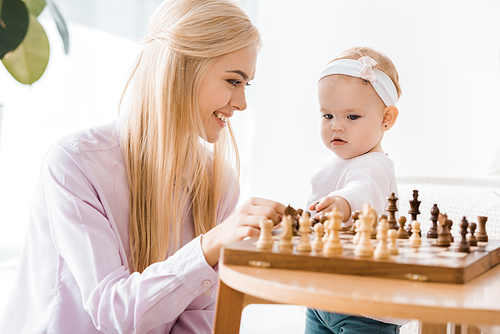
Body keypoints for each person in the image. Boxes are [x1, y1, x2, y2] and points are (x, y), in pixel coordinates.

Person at [0, 0, 285, 333]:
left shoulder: (219, 182)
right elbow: (113, 312)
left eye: (246, 84)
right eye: (233, 81)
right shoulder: (74, 164)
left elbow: (200, 320)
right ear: (183, 69)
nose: (242, 103)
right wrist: (208, 248)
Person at [304, 46, 408, 333]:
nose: (336, 127)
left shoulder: (376, 165)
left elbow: (364, 190)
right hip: (322, 299)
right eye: (327, 116)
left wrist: (342, 204)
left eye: (351, 117)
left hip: (364, 309)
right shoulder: (331, 163)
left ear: (386, 119)